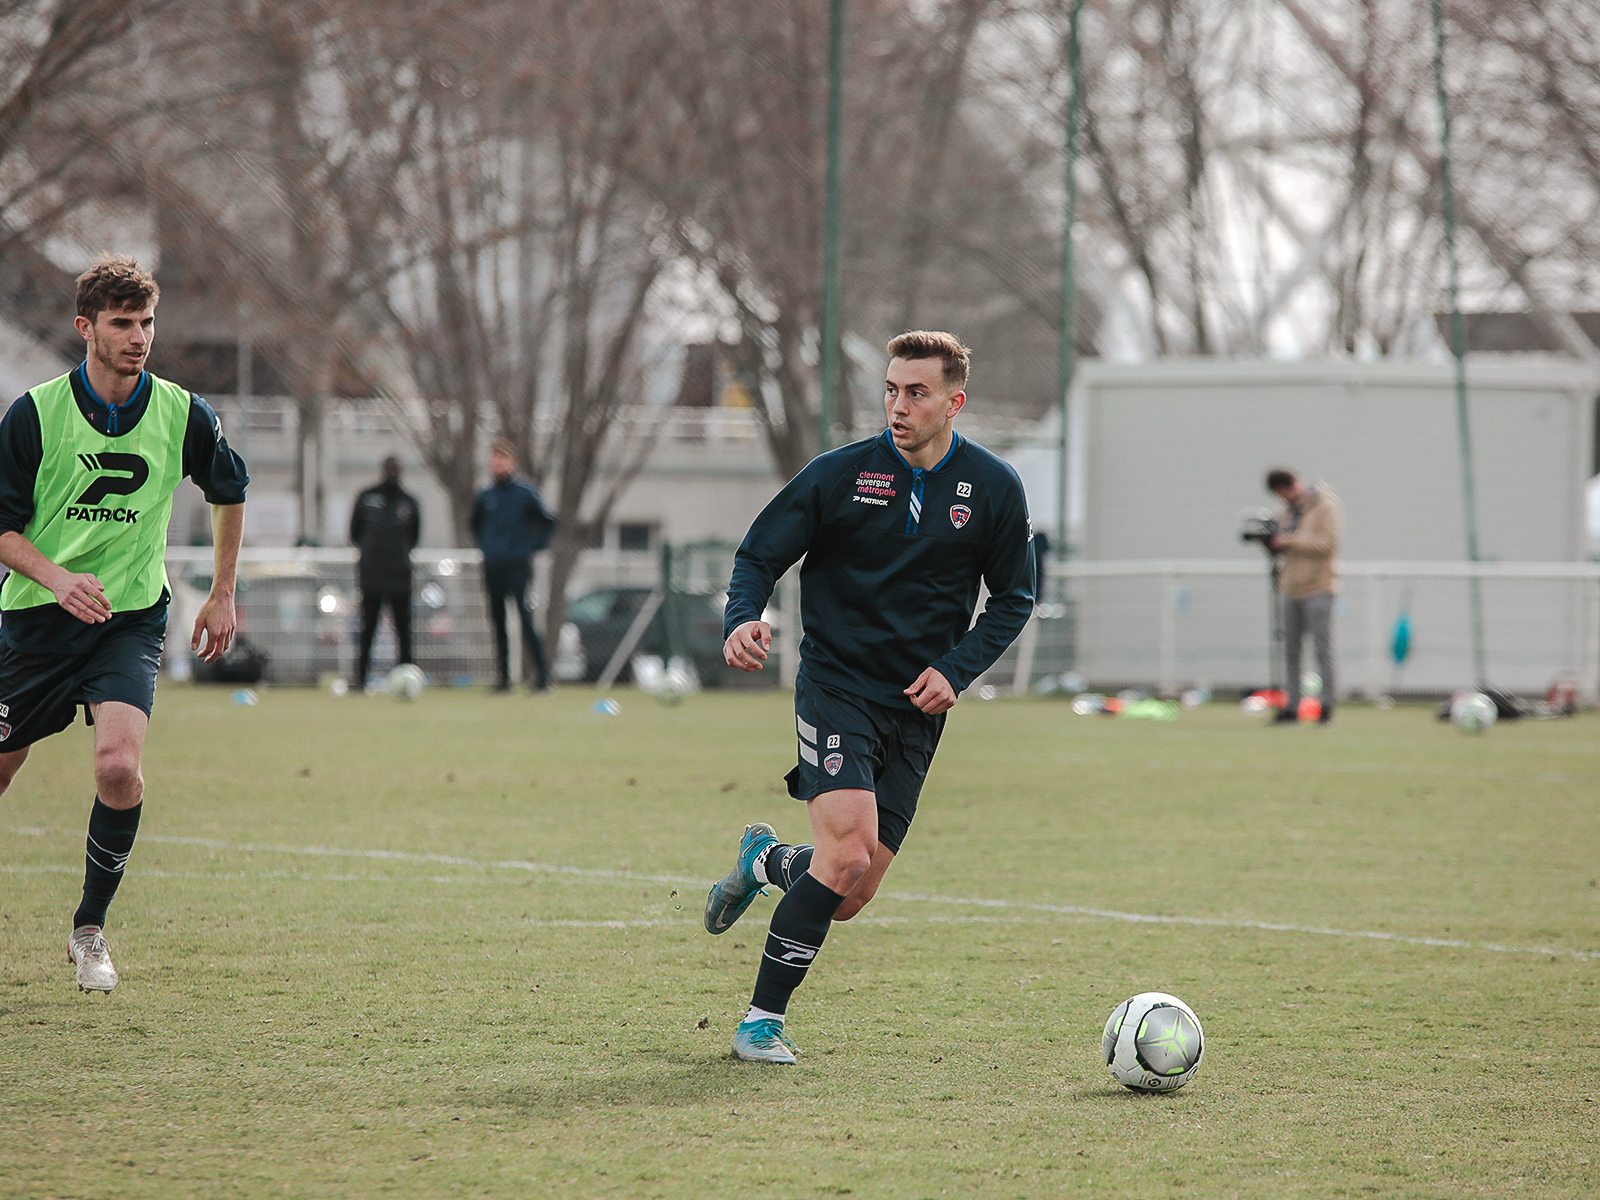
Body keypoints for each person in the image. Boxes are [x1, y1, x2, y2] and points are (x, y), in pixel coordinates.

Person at [704, 330, 1035, 1064]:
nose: (897, 405)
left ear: (955, 402)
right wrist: (742, 619)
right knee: (848, 852)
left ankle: (764, 862)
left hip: (917, 708)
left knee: (850, 892)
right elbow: (760, 554)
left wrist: (957, 669)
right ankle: (760, 1022)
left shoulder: (994, 488)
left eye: (915, 392)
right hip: (837, 686)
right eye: (890, 389)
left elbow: (1015, 597)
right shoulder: (839, 475)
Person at [0, 254, 247, 992]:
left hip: (128, 620)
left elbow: (228, 488)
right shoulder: (34, 413)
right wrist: (57, 578)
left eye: (146, 323)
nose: (138, 337)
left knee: (117, 767)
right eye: (121, 324)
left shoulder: (182, 412)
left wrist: (222, 591)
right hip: (37, 626)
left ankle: (89, 930)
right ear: (86, 329)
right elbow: (4, 530)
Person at [469, 439, 556, 692]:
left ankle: (542, 677)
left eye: (503, 458)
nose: (498, 463)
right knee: (498, 622)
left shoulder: (525, 493)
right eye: (495, 459)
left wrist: (531, 547)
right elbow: (475, 525)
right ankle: (503, 679)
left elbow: (547, 521)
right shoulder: (485, 496)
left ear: (512, 462)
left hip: (518, 566)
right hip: (493, 566)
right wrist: (488, 548)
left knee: (526, 619)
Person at [1265, 467, 1341, 725]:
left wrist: (1291, 541)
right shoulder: (1287, 511)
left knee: (1323, 650)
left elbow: (1327, 544)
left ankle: (1327, 707)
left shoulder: (1324, 505)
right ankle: (1292, 707)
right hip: (1291, 588)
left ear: (1293, 484)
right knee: (1291, 652)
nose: (1283, 499)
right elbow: (1283, 543)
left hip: (1319, 586)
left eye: (1283, 492)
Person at [349, 454, 420, 688]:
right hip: (372, 575)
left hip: (400, 575)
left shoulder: (409, 502)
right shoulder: (367, 498)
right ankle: (360, 680)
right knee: (368, 628)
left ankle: (406, 678)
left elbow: (414, 537)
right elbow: (354, 533)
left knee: (404, 631)